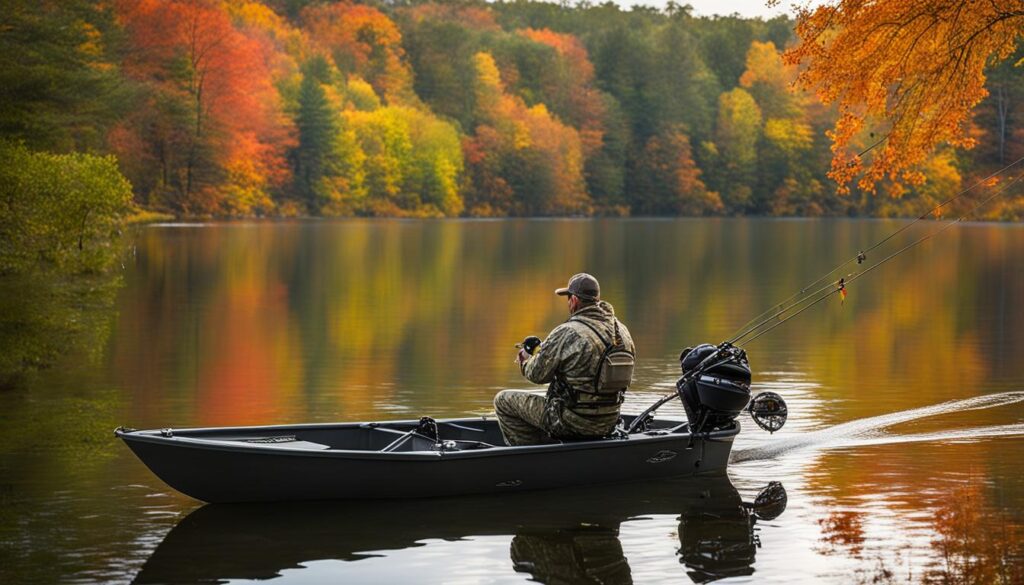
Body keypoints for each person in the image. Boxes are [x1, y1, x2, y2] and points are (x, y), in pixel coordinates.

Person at [494, 273, 635, 445]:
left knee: (503, 401)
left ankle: (530, 457)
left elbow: (537, 375)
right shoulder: (623, 332)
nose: (568, 302)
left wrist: (525, 360)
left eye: (568, 297)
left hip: (571, 422)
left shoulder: (567, 332)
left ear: (574, 300)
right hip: (608, 421)